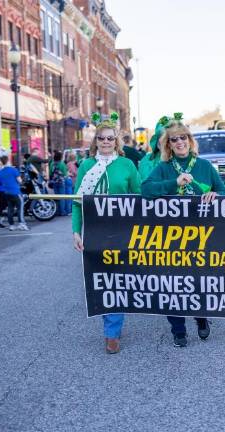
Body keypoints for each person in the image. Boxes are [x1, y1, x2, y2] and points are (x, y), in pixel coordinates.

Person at [141, 114, 225, 348]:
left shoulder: (204, 166)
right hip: (170, 239)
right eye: (174, 140)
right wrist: (174, 183)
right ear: (168, 144)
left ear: (190, 140)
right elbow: (146, 190)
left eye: (183, 138)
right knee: (171, 284)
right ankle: (178, 329)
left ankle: (200, 317)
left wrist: (217, 194)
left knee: (198, 283)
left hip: (201, 238)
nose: (180, 142)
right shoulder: (164, 168)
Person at [72, 115, 141, 354]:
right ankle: (111, 330)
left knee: (119, 281)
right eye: (101, 138)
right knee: (104, 281)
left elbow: (140, 198)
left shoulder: (127, 165)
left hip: (123, 231)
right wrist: (75, 231)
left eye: (110, 138)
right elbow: (77, 202)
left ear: (116, 141)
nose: (105, 142)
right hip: (95, 231)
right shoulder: (86, 166)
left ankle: (113, 329)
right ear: (95, 142)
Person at [0, 155, 28, 231]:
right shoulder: (13, 170)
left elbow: (1, 182)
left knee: (10, 209)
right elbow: (20, 181)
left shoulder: (1, 172)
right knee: (20, 208)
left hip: (7, 193)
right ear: (8, 161)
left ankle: (11, 225)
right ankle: (22, 224)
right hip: (16, 192)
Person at [49, 150, 70, 216]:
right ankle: (62, 211)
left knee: (57, 197)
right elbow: (65, 174)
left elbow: (50, 173)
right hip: (61, 182)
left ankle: (57, 211)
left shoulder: (52, 163)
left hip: (54, 182)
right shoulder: (62, 164)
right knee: (62, 197)